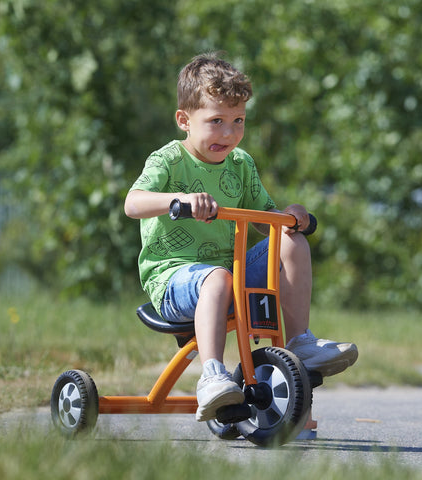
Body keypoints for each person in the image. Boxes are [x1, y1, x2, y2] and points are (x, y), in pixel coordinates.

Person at [124, 53, 358, 422]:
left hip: (230, 272)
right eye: (216, 121)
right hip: (175, 280)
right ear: (184, 120)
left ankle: (300, 344)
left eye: (238, 122)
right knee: (217, 278)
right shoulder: (168, 160)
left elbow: (267, 218)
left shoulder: (241, 164)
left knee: (291, 241)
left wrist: (290, 217)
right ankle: (213, 375)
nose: (229, 133)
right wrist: (179, 200)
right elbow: (132, 203)